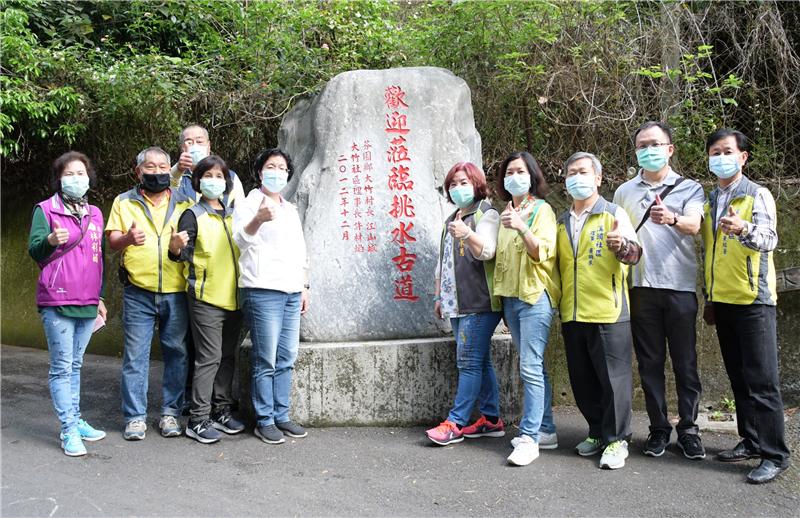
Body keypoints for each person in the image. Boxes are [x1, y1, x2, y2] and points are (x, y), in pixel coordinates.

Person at [612, 121, 706, 460]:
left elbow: (695, 225)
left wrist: (672, 218)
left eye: (655, 144)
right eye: (642, 145)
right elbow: (619, 233)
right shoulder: (623, 191)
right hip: (639, 287)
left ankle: (690, 430)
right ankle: (658, 428)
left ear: (669, 149)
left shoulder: (690, 188)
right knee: (650, 363)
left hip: (679, 287)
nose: (648, 150)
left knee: (685, 362)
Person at [701, 128, 790, 484]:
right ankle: (751, 440)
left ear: (743, 157)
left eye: (727, 151)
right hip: (722, 300)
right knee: (739, 378)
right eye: (714, 152)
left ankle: (775, 454)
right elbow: (711, 254)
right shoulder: (711, 199)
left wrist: (743, 229)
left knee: (763, 381)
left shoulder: (758, 194)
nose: (719, 157)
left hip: (754, 301)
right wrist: (709, 298)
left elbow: (769, 240)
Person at [554, 151, 641, 470]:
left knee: (614, 379)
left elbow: (634, 255)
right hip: (573, 313)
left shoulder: (613, 214)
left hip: (608, 312)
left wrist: (621, 246)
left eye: (583, 172)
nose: (577, 178)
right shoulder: (562, 221)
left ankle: (617, 439)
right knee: (582, 379)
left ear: (598, 178)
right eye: (571, 173)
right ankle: (596, 431)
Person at [106, 146, 194, 440]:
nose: (156, 173)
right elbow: (113, 242)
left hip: (177, 291)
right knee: (135, 356)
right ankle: (135, 417)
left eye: (162, 167)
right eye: (150, 167)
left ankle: (171, 413)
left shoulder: (186, 202)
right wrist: (128, 238)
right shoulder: (124, 201)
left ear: (170, 170)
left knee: (177, 354)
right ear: (138, 171)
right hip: (138, 291)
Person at [28, 151, 107, 456]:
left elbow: (97, 259)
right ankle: (68, 430)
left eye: (81, 173)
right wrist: (49, 240)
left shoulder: (95, 213)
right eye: (69, 174)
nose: (77, 179)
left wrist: (99, 296)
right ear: (59, 179)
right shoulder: (45, 210)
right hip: (57, 300)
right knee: (62, 368)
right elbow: (34, 251)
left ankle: (75, 419)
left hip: (87, 301)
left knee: (75, 365)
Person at [233, 148, 310, 444]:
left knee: (287, 356)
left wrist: (304, 286)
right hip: (263, 290)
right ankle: (264, 419)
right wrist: (259, 219)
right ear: (260, 171)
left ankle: (282, 415)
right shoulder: (249, 203)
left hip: (291, 291)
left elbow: (300, 251)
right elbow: (240, 240)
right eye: (270, 166)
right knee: (265, 358)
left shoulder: (290, 209)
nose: (277, 172)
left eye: (282, 167)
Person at [168, 155, 246, 444]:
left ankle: (221, 410)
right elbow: (179, 254)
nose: (215, 181)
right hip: (205, 298)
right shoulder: (192, 214)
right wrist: (176, 248)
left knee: (227, 357)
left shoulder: (234, 213)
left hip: (234, 296)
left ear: (227, 181)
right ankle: (198, 419)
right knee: (209, 358)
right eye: (208, 176)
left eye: (220, 176)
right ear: (198, 182)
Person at [426, 162, 502, 446]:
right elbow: (442, 262)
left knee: (468, 362)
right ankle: (491, 419)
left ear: (476, 183)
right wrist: (438, 296)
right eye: (453, 184)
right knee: (480, 362)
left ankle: (455, 423)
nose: (458, 188)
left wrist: (468, 234)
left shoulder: (486, 212)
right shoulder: (452, 217)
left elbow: (489, 251)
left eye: (463, 182)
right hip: (454, 302)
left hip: (479, 301)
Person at [493, 151, 559, 466]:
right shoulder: (506, 211)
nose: (514, 177)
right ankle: (545, 429)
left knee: (530, 367)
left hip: (535, 297)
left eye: (520, 171)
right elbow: (502, 263)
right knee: (534, 367)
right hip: (513, 299)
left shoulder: (541, 210)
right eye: (509, 172)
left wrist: (521, 226)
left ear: (532, 175)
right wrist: (503, 304)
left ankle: (530, 438)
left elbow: (541, 252)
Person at [172, 124, 245, 205]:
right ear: (183, 148)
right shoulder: (176, 176)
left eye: (199, 141)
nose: (195, 146)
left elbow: (241, 212)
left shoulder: (231, 177)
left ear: (208, 146)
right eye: (189, 142)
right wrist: (178, 169)